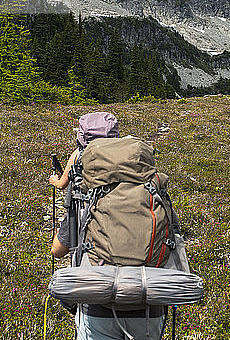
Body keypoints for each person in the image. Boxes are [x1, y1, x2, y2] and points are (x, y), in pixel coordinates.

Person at [48, 112, 166, 340]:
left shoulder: (85, 194)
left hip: (98, 305)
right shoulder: (148, 185)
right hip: (150, 303)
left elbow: (57, 250)